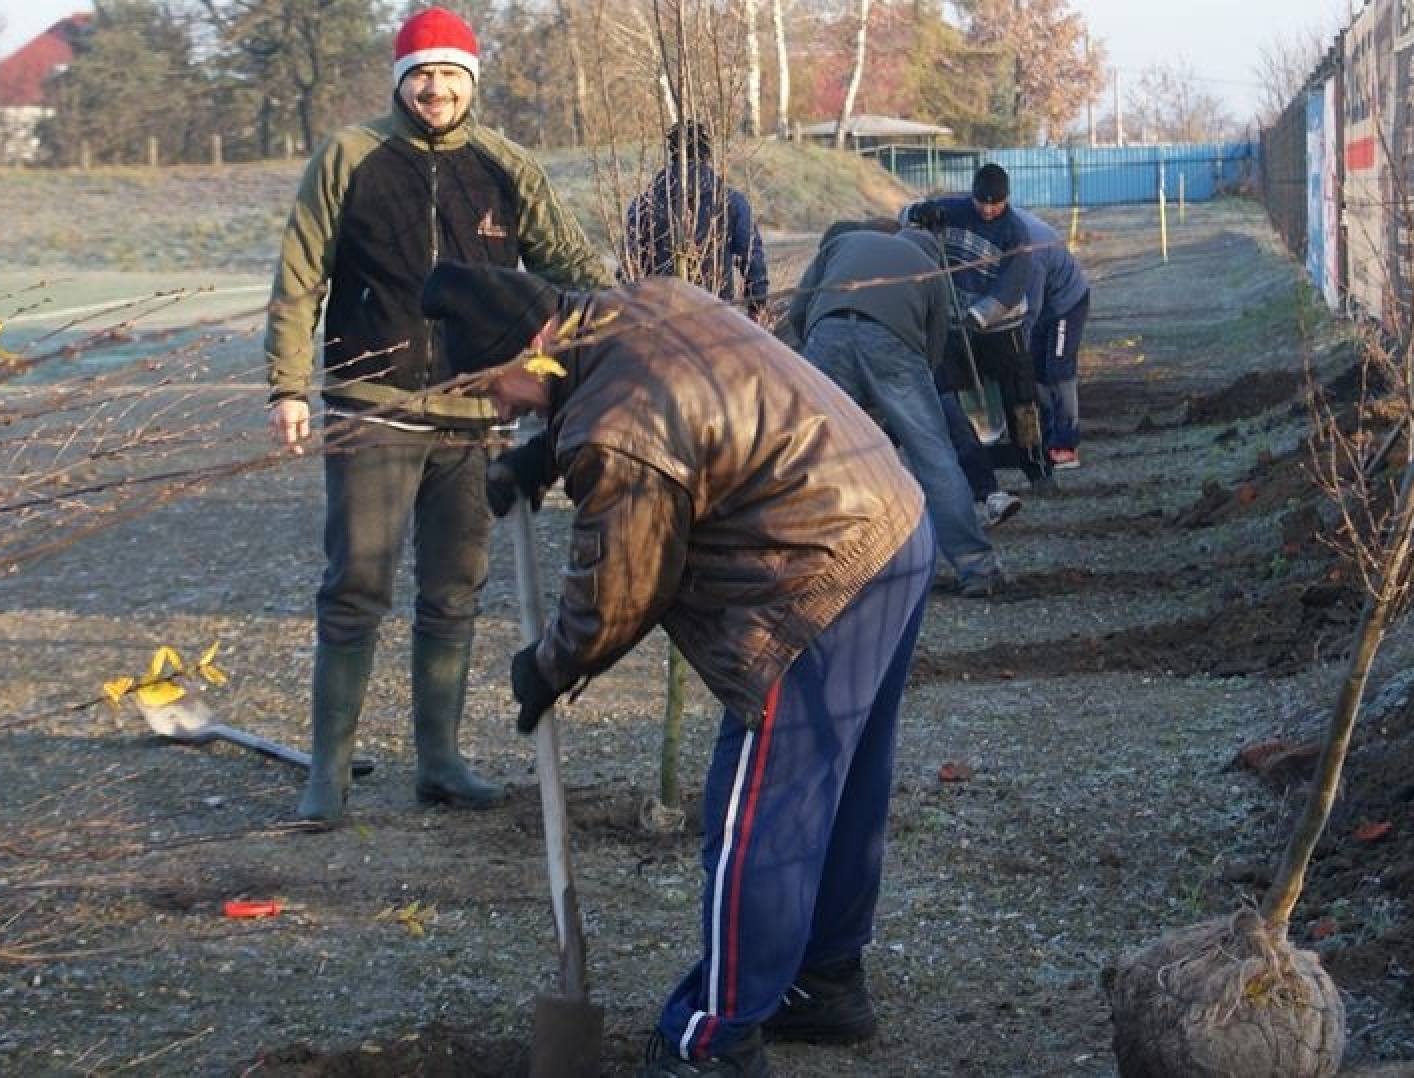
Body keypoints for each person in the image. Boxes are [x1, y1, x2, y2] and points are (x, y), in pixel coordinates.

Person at [418, 260, 934, 1078]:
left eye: (494, 383)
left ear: (535, 345)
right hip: (891, 526)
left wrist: (548, 668)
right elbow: (672, 395)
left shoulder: (617, 427)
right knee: (841, 784)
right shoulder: (638, 304)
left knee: (759, 815)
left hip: (814, 572)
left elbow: (622, 591)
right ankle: (824, 982)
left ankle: (715, 1037)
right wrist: (545, 456)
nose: (496, 406)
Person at [263, 6, 614, 826]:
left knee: (454, 590)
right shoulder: (348, 156)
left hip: (474, 413)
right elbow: (299, 277)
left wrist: (592, 340)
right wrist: (286, 386)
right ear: (400, 81)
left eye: (451, 74)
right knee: (356, 586)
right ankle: (329, 772)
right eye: (422, 73)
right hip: (372, 407)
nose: (436, 87)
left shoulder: (505, 165)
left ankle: (441, 762)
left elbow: (572, 271)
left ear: (471, 83)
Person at [782, 216, 1006, 598]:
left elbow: (798, 312)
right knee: (934, 458)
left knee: (815, 455)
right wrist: (904, 396)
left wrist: (826, 361)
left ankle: (803, 571)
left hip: (827, 335)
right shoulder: (931, 269)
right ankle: (976, 567)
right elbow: (934, 348)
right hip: (895, 348)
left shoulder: (844, 243)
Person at [902, 163, 1046, 494]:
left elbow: (1012, 287)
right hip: (954, 328)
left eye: (995, 203)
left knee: (1021, 400)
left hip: (1002, 327)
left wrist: (979, 316)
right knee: (954, 396)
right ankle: (973, 470)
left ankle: (1037, 468)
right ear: (973, 195)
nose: (987, 209)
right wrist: (919, 212)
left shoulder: (1016, 233)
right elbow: (904, 218)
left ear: (1006, 200)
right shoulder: (953, 211)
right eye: (981, 201)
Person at [624, 121, 771, 317]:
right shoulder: (730, 201)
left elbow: (629, 267)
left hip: (659, 318)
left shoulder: (643, 205)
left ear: (672, 153)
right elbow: (752, 257)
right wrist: (757, 307)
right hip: (717, 315)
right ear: (707, 154)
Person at [1017, 208, 1092, 470]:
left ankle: (1066, 443)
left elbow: (1031, 308)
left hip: (1066, 304)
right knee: (1037, 370)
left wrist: (1016, 347)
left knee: (1058, 369)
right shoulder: (999, 230)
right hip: (1044, 302)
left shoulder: (1032, 249)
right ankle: (1047, 435)